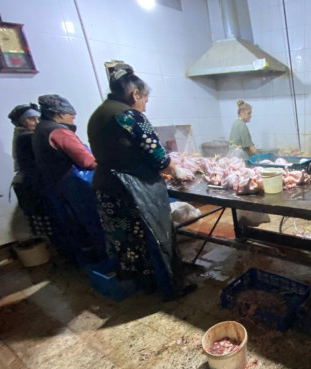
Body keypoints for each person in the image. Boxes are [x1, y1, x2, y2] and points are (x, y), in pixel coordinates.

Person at [87, 65, 195, 300]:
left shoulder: (98, 114)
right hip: (134, 191)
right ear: (135, 94)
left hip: (107, 187)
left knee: (129, 242)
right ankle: (170, 288)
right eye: (145, 98)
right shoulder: (130, 115)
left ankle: (145, 285)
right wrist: (176, 170)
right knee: (157, 237)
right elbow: (159, 158)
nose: (145, 104)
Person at [32, 94, 106, 263]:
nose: (73, 120)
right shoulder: (58, 131)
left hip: (55, 184)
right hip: (73, 184)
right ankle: (106, 259)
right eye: (71, 116)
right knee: (93, 221)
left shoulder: (40, 129)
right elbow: (87, 161)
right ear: (59, 114)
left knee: (75, 224)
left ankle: (88, 260)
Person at [8, 103, 54, 237]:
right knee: (50, 222)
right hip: (32, 184)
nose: (37, 122)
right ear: (21, 122)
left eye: (38, 118)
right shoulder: (26, 137)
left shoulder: (22, 135)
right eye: (31, 119)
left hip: (31, 182)